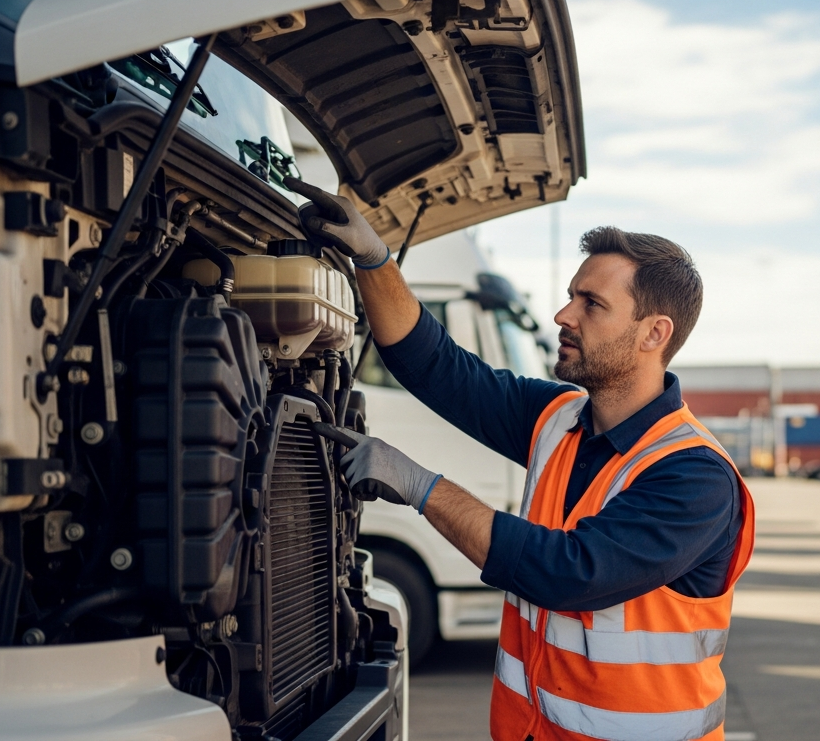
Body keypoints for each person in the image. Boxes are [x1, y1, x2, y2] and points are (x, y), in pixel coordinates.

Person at [285, 178, 755, 741]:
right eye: (571, 295)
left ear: (654, 333)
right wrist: (375, 259)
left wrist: (419, 485)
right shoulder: (557, 418)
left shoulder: (695, 475)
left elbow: (568, 572)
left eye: (591, 304)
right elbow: (434, 365)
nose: (563, 314)